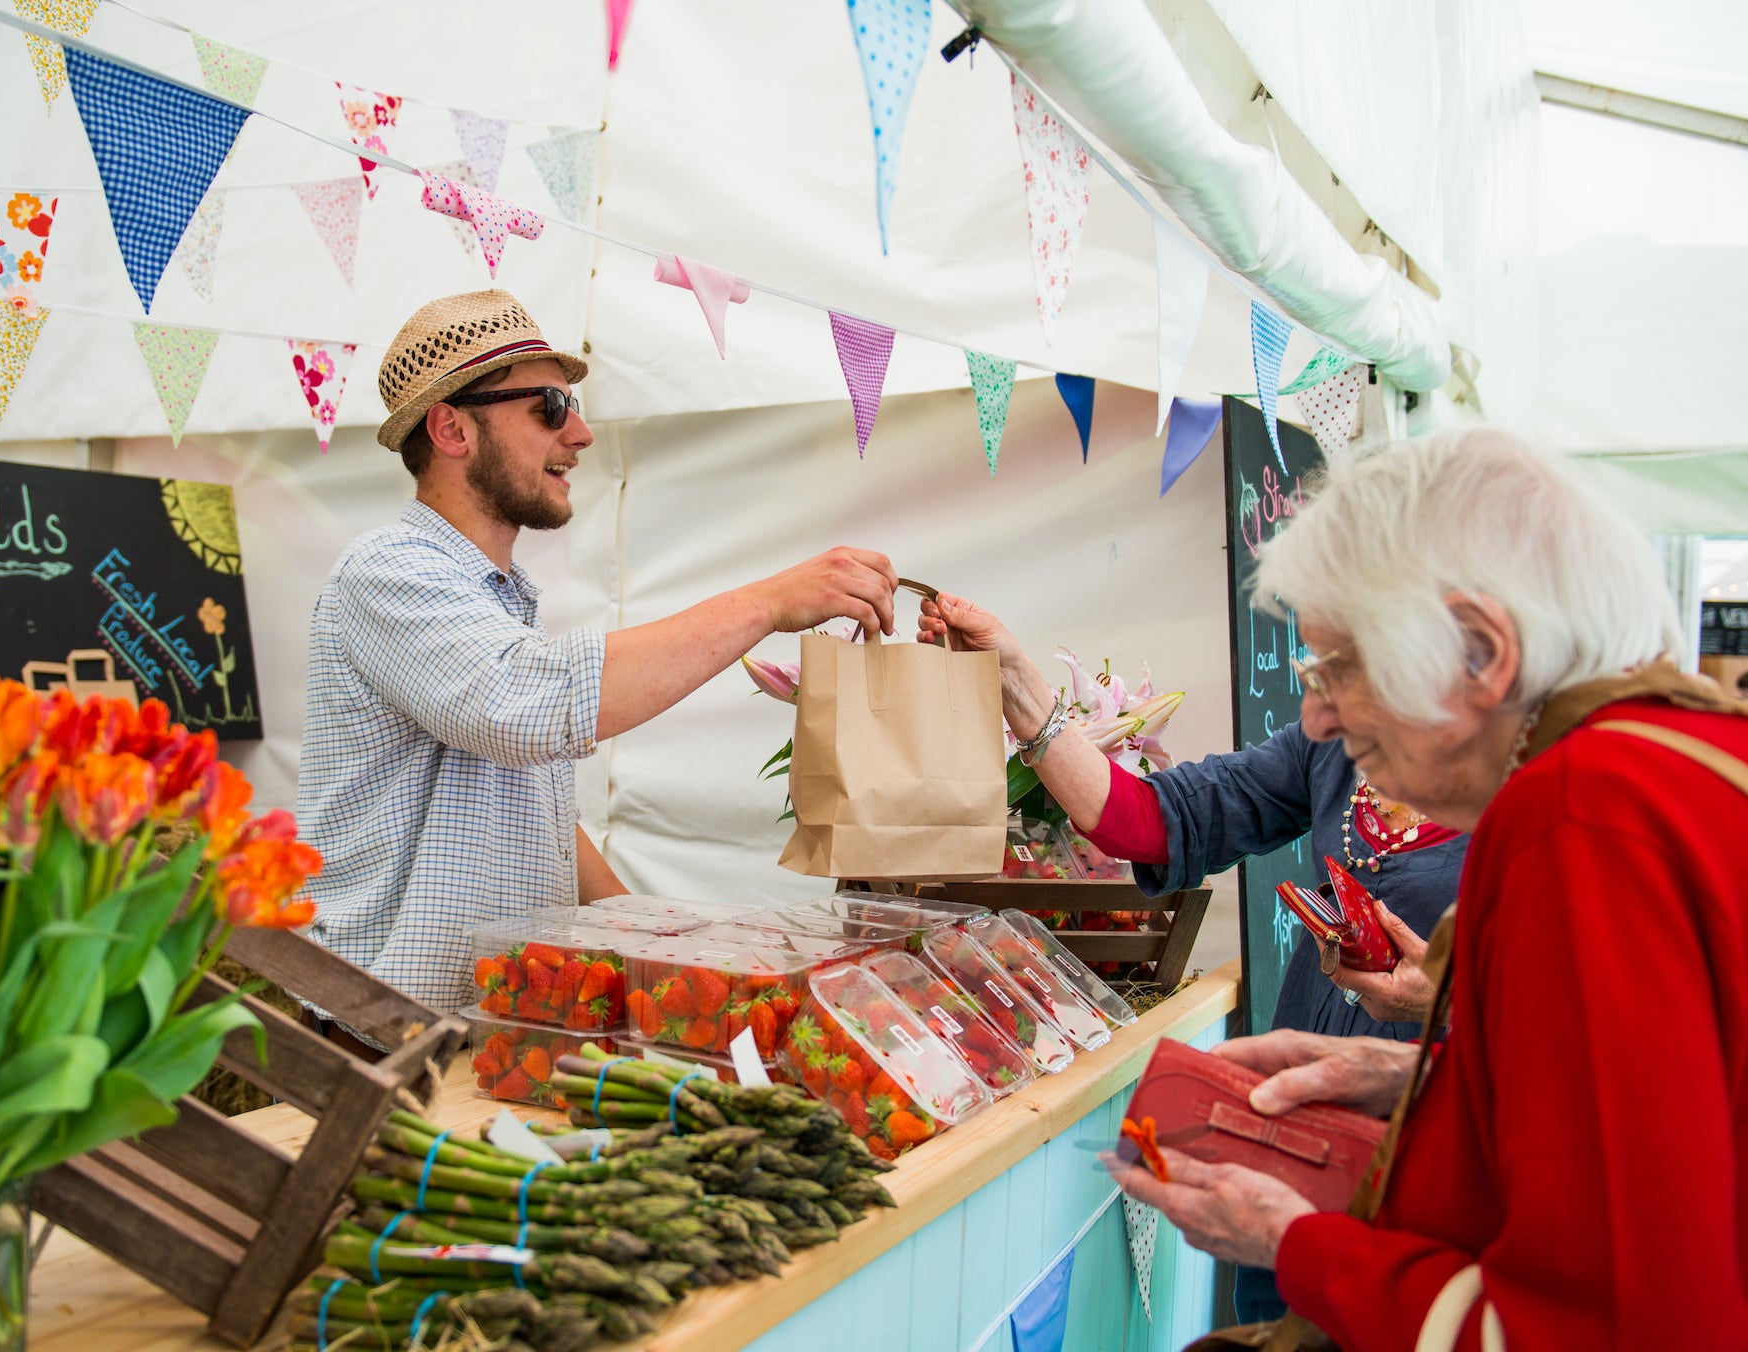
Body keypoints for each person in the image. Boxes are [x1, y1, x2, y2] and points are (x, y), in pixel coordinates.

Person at [1104, 428, 1748, 1349]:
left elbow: (1602, 1326)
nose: (1316, 717)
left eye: (1339, 667)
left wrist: (1296, 1246)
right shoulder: (1678, 765)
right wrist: (1426, 1079)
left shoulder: (1576, 816)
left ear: (1482, 653)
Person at [298, 289, 899, 1022]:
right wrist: (769, 602)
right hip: (383, 1035)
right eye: (549, 406)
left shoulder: (492, 595)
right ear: (451, 429)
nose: (579, 433)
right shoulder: (387, 571)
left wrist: (657, 937)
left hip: (485, 1025)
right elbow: (529, 706)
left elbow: (531, 807)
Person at [920, 596, 1465, 1322]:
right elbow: (1151, 821)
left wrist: (1443, 1006)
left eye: (1338, 667)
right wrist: (1017, 684)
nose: (1315, 710)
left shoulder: (1551, 792)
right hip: (1300, 1135)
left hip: (1440, 1165)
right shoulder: (1330, 746)